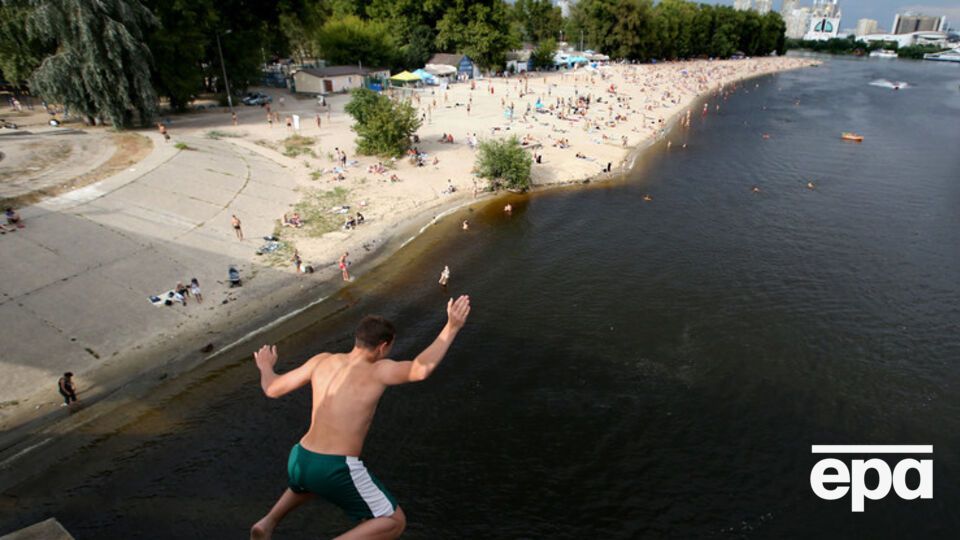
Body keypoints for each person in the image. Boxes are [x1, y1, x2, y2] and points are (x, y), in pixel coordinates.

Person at [250, 296, 471, 539]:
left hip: (300, 456)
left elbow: (272, 389)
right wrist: (452, 327)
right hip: (335, 466)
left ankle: (267, 523)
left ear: (358, 339)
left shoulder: (322, 360)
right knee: (393, 521)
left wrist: (265, 367)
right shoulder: (378, 370)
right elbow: (420, 369)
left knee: (311, 484)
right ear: (383, 347)